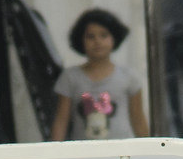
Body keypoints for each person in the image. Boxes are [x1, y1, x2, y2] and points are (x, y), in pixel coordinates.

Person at [51, 9, 151, 140]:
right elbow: (61, 121)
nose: (97, 41)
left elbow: (138, 120)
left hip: (122, 154)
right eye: (90, 37)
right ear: (81, 40)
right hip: (83, 155)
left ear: (114, 38)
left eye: (104, 35)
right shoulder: (70, 77)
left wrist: (147, 153)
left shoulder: (129, 78)